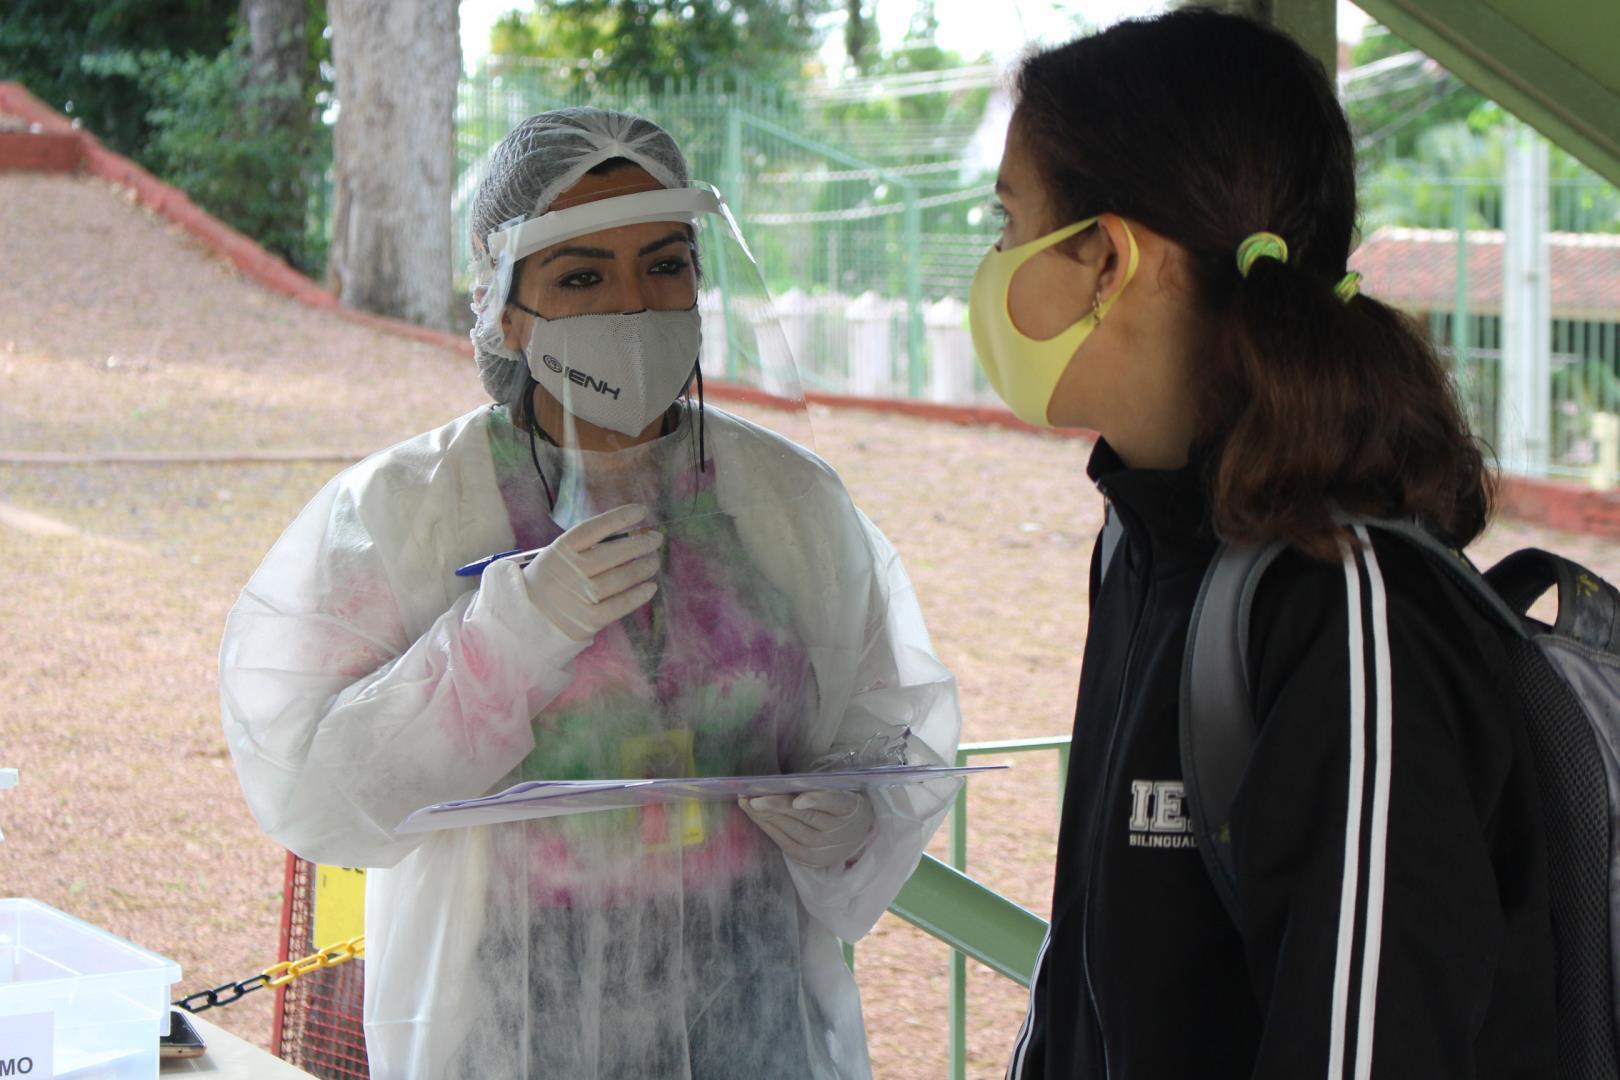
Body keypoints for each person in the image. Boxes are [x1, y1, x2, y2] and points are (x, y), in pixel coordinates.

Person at [220, 107, 961, 1079]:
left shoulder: (788, 502)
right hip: (507, 1028)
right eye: (581, 275)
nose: (636, 307)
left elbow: (888, 718)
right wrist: (504, 644)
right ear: (505, 305)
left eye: (665, 264)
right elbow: (316, 794)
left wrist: (855, 810)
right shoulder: (407, 513)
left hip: (756, 1021)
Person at [970, 11, 1556, 1079]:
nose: (992, 266)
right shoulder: (1146, 542)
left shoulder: (1348, 609)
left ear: (1106, 258)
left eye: (1007, 223)